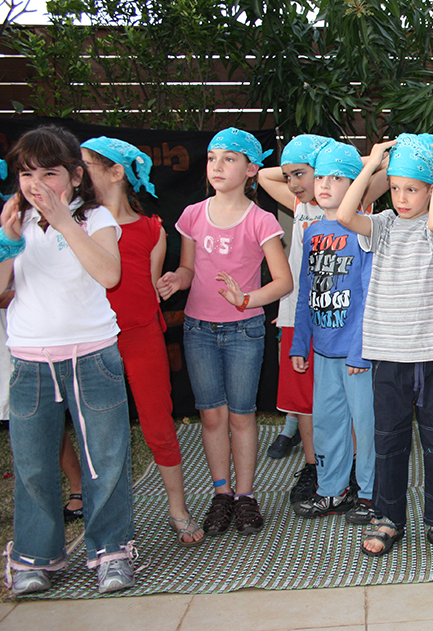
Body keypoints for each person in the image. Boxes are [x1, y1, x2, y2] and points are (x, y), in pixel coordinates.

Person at [0, 125, 135, 595]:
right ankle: (35, 557)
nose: (37, 184)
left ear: (76, 176)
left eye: (49, 173)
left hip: (92, 356)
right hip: (30, 360)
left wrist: (63, 222)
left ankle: (112, 552)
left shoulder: (95, 217)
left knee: (106, 460)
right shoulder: (13, 219)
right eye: (27, 174)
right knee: (33, 464)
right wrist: (7, 243)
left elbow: (109, 274)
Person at [156, 128, 292, 537]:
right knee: (211, 416)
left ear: (251, 169)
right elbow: (188, 268)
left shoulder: (261, 220)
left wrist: (247, 299)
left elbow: (282, 281)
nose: (217, 165)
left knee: (241, 415)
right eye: (213, 157)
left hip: (244, 332)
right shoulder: (193, 215)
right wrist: (176, 280)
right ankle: (222, 494)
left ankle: (245, 496)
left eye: (229, 158)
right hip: (198, 330)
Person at [338, 133, 433, 560]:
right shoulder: (383, 226)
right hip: (388, 355)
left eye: (412, 189)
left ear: (431, 189)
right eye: (395, 188)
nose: (401, 198)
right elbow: (345, 214)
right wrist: (372, 163)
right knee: (388, 441)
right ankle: (388, 517)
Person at [82, 136, 203, 545]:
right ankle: (91, 505)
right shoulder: (78, 224)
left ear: (116, 172)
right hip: (92, 339)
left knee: (157, 422)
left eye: (85, 165)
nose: (77, 173)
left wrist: (167, 284)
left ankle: (178, 508)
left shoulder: (153, 229)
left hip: (141, 335)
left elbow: (147, 288)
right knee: (97, 430)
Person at [290, 140, 378, 524]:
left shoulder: (364, 231)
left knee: (366, 425)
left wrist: (360, 351)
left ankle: (371, 493)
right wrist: (300, 342)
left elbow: (370, 297)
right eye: (321, 176)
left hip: (357, 354)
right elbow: (306, 291)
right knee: (327, 423)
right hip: (323, 351)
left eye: (337, 177)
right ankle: (332, 490)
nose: (325, 184)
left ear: (355, 184)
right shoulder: (311, 232)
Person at [256, 134, 328, 505]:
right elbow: (263, 176)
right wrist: (295, 172)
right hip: (296, 316)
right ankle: (313, 467)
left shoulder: (352, 201)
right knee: (302, 402)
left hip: (337, 317)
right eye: (289, 176)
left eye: (300, 174)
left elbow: (376, 168)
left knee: (342, 399)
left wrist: (329, 163)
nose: (293, 183)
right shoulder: (300, 205)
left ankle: (348, 469)